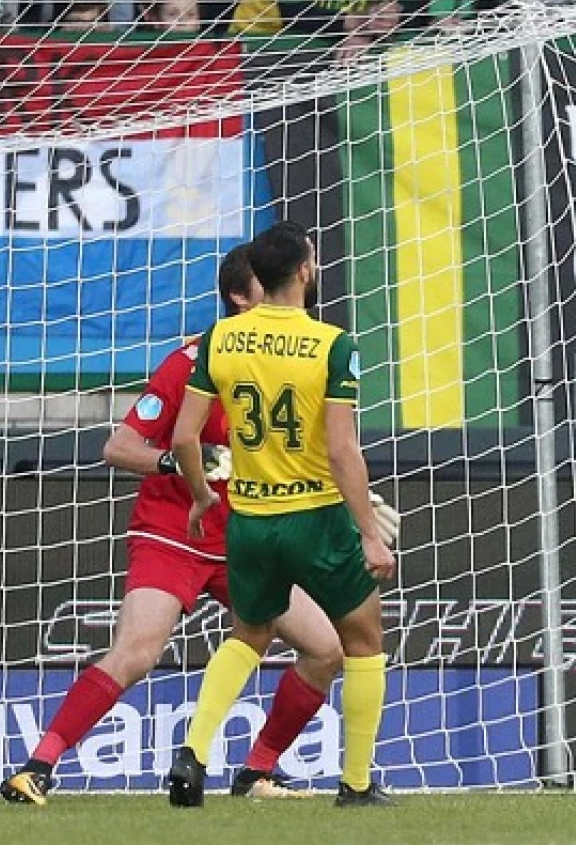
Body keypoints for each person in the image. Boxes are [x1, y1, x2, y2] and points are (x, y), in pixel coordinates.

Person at [0, 245, 342, 806]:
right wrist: (183, 462)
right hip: (174, 532)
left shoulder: (294, 362)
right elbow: (120, 446)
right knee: (136, 653)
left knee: (326, 648)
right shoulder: (192, 360)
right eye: (269, 284)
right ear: (239, 297)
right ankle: (37, 766)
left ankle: (256, 772)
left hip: (246, 539)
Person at [170, 221, 398, 808]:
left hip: (248, 520)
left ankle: (192, 753)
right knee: (363, 640)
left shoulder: (220, 339)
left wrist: (200, 496)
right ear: (303, 271)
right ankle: (355, 784)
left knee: (248, 634)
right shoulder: (333, 343)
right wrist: (369, 535)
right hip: (315, 517)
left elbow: (184, 438)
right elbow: (343, 451)